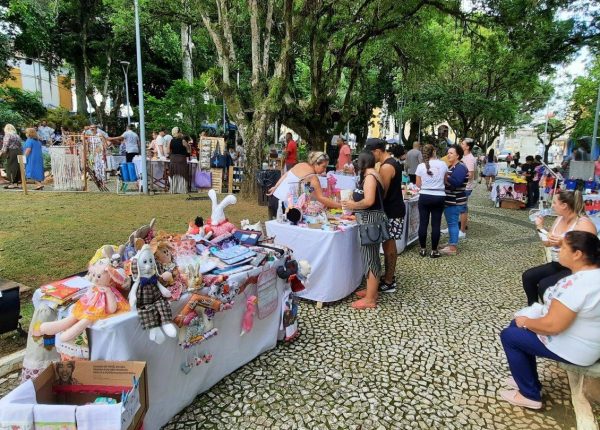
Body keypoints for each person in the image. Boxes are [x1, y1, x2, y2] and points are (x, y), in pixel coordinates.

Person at [499, 231, 600, 410]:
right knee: (516, 326)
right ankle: (527, 380)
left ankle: (529, 394)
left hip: (578, 349)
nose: (558, 250)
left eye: (563, 248)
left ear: (577, 254)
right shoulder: (593, 275)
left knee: (510, 335)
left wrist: (526, 322)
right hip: (588, 342)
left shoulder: (577, 286)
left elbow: (552, 326)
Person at [523, 190, 597, 305]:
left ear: (564, 205)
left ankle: (552, 315)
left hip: (575, 267)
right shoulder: (559, 219)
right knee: (528, 276)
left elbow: (588, 251)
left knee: (545, 285)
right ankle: (533, 309)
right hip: (557, 263)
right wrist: (539, 227)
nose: (552, 205)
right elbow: (547, 243)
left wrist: (564, 243)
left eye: (554, 202)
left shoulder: (583, 223)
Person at [359, 138, 406, 292]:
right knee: (388, 245)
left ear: (378, 151)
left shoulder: (386, 167)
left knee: (389, 247)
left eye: (371, 154)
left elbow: (381, 193)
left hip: (392, 211)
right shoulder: (392, 162)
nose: (371, 157)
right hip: (393, 209)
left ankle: (389, 280)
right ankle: (388, 278)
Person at [342, 151, 385, 310]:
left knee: (370, 258)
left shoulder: (370, 177)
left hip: (370, 223)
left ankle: (370, 300)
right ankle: (372, 291)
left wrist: (353, 206)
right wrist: (356, 215)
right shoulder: (375, 174)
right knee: (372, 257)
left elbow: (369, 201)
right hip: (371, 220)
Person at [268, 151, 341, 209]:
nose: (325, 170)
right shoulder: (313, 177)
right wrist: (341, 205)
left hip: (274, 198)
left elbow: (287, 175)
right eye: (323, 167)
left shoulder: (301, 164)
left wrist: (275, 187)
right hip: (285, 205)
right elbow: (321, 198)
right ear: (316, 164)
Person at [416, 144, 448, 258]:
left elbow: (418, 184)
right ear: (434, 151)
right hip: (439, 195)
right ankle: (434, 250)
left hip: (424, 195)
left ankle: (423, 249)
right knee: (436, 224)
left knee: (423, 223)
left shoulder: (420, 166)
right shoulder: (443, 164)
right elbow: (445, 181)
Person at [439, 144, 469, 256]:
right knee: (452, 223)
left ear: (458, 155)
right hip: (451, 200)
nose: (448, 155)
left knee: (452, 224)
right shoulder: (453, 166)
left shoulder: (460, 167)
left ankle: (452, 247)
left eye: (451, 153)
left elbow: (456, 183)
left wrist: (444, 177)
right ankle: (451, 242)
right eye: (448, 152)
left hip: (455, 201)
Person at [459, 138, 476, 238]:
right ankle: (457, 226)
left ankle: (462, 231)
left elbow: (470, 175)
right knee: (459, 208)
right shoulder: (463, 156)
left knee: (462, 208)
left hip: (466, 187)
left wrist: (457, 176)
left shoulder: (469, 158)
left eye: (462, 144)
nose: (461, 145)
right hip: (461, 186)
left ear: (467, 147)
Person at [168, 127, 191, 194]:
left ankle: (174, 189)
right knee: (182, 174)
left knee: (174, 174)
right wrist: (188, 147)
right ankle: (182, 189)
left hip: (173, 159)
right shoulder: (183, 141)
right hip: (181, 159)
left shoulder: (171, 141)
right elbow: (188, 151)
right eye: (181, 132)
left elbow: (168, 151)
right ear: (178, 133)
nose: (182, 133)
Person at [0, 124, 23, 189]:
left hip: (11, 152)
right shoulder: (17, 136)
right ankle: (17, 183)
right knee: (17, 167)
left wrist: (1, 152)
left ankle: (12, 183)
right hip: (19, 152)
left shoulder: (7, 135)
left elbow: (5, 145)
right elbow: (20, 145)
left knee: (9, 167)